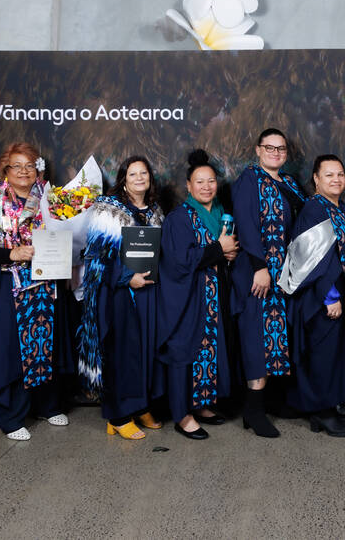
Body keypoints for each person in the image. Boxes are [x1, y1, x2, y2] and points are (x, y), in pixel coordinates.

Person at [0, 143, 69, 440]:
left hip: (47, 286)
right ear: (5, 171)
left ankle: (48, 406)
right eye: (17, 166)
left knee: (47, 345)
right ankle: (12, 417)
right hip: (10, 288)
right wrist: (11, 254)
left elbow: (70, 237)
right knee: (13, 350)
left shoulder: (51, 200)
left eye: (30, 165)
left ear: (38, 170)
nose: (24, 171)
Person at [278, 155, 345, 437]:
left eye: (340, 174)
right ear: (316, 180)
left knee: (334, 353)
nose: (337, 180)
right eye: (329, 175)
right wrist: (329, 296)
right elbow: (309, 261)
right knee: (323, 353)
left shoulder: (339, 208)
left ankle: (328, 408)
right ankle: (321, 410)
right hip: (321, 297)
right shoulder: (314, 210)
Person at [79, 156, 166, 440]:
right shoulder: (108, 209)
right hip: (117, 293)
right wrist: (127, 277)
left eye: (144, 172)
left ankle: (139, 406)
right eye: (133, 174)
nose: (139, 177)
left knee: (142, 352)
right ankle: (117, 415)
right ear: (123, 179)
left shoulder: (154, 210)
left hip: (148, 292)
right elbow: (96, 257)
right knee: (120, 354)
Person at [158, 150, 240, 440]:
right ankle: (182, 414)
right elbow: (181, 260)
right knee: (184, 350)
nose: (207, 186)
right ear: (189, 187)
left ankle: (201, 402)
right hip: (187, 299)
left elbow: (222, 251)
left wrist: (228, 254)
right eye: (200, 182)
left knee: (210, 348)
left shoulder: (220, 214)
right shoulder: (179, 218)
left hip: (213, 298)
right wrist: (220, 249)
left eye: (212, 181)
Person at [231, 129, 307, 437]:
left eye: (281, 149)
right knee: (256, 340)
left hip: (285, 276)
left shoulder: (289, 183)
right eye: (269, 148)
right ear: (258, 150)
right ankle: (253, 409)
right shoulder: (249, 180)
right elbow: (246, 224)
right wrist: (259, 267)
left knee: (278, 337)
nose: (275, 153)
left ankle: (273, 401)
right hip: (259, 273)